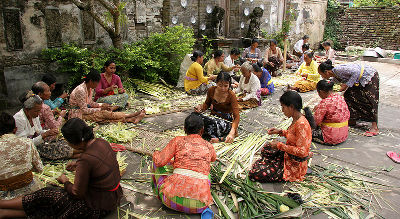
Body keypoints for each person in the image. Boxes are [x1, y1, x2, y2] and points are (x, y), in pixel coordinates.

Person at [0, 118, 123, 218]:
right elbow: (99, 163)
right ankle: (5, 211)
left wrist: (65, 181)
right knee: (47, 198)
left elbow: (76, 193)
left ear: (74, 142)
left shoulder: (86, 159)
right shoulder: (101, 142)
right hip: (113, 198)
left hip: (97, 206)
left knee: (48, 195)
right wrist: (77, 164)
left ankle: (4, 207)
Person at [152, 113, 216, 214]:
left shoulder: (177, 141)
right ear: (202, 130)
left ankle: (159, 194)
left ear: (184, 129)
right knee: (206, 172)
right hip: (201, 205)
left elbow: (159, 161)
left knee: (156, 161)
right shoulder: (208, 146)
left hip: (170, 201)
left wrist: (156, 153)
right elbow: (213, 159)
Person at [249, 91, 314, 182]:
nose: (282, 110)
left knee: (255, 174)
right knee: (267, 147)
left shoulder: (301, 124)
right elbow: (292, 135)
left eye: (283, 107)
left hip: (294, 164)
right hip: (289, 154)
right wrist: (280, 132)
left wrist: (279, 145)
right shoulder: (297, 118)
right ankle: (273, 163)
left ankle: (289, 170)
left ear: (291, 107)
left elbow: (302, 152)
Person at [318, 60, 379, 136]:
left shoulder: (338, 69)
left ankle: (374, 127)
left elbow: (356, 72)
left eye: (322, 74)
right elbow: (332, 87)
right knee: (349, 95)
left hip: (369, 77)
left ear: (326, 72)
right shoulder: (334, 77)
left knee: (370, 100)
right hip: (357, 80)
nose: (322, 77)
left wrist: (347, 85)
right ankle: (352, 119)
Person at [14, 91, 75, 160]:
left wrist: (49, 132)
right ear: (27, 109)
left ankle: (83, 152)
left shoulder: (34, 116)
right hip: (27, 149)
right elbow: (24, 144)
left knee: (65, 144)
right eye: (36, 111)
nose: (38, 114)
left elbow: (38, 130)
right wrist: (44, 135)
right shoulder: (19, 119)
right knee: (56, 150)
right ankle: (83, 154)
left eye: (39, 110)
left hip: (37, 143)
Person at [69, 69, 145, 123]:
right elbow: (84, 110)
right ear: (91, 81)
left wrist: (101, 105)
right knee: (103, 114)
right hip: (77, 113)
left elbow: (90, 103)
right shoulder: (80, 90)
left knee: (103, 117)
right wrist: (101, 109)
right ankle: (130, 116)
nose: (97, 85)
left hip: (85, 111)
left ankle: (130, 119)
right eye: (96, 83)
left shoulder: (90, 88)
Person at [0, 112, 43, 200]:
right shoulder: (27, 142)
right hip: (29, 190)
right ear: (15, 129)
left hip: (4, 195)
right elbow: (39, 168)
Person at [31, 82, 78, 160]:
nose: (50, 93)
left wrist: (52, 112)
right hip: (45, 139)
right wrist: (60, 116)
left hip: (41, 135)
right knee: (67, 147)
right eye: (48, 91)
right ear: (40, 94)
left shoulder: (37, 105)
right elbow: (55, 127)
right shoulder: (44, 107)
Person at [195, 72, 240, 143]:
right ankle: (216, 136)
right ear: (216, 83)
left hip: (225, 121)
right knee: (194, 117)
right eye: (220, 85)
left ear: (229, 85)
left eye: (226, 86)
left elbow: (237, 117)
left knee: (211, 125)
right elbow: (207, 104)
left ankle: (221, 139)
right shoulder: (211, 90)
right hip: (213, 117)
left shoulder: (231, 95)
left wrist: (232, 131)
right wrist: (200, 108)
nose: (223, 88)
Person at [312, 80, 350, 145]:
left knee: (305, 131)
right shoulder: (340, 97)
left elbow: (315, 122)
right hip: (343, 133)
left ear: (321, 92)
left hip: (332, 136)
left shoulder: (325, 103)